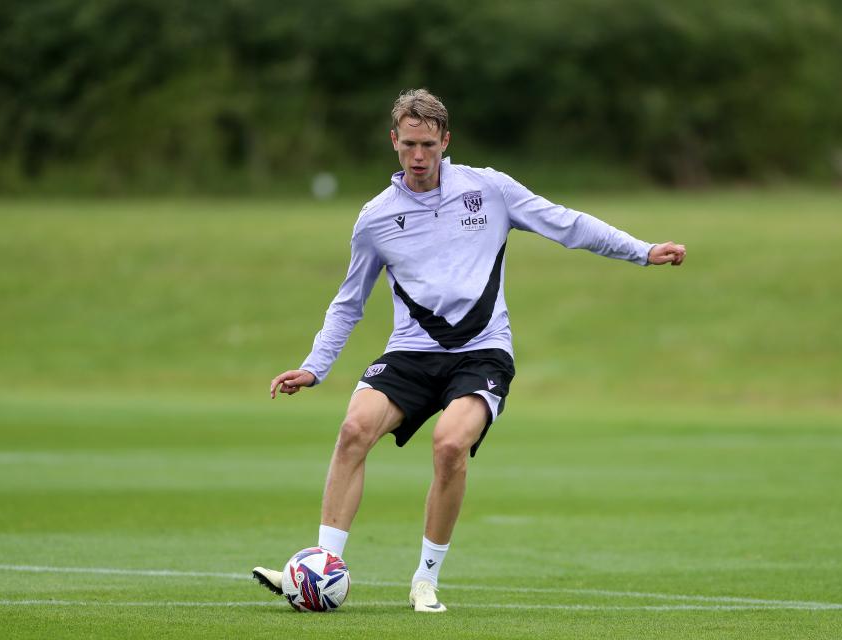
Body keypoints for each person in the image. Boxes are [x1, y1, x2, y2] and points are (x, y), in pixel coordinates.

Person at [253, 88, 686, 613]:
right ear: (394, 141)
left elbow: (565, 223)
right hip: (412, 352)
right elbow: (348, 304)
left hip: (482, 352)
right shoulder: (375, 218)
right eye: (409, 144)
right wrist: (314, 368)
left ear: (446, 142)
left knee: (449, 445)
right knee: (353, 429)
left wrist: (641, 251)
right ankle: (321, 569)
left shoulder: (490, 190)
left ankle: (425, 579)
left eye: (428, 145)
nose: (418, 156)